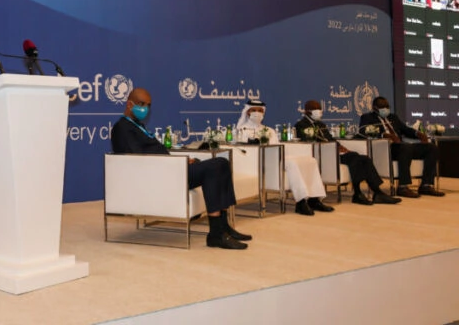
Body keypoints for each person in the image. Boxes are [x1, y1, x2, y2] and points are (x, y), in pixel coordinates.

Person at [111, 88, 253, 250]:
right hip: (161, 176)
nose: (145, 109)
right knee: (215, 166)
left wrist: (182, 161)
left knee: (222, 163)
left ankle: (224, 226)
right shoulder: (122, 128)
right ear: (129, 104)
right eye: (141, 104)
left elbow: (155, 153)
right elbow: (140, 161)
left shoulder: (138, 126)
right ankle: (215, 234)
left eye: (148, 105)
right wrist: (178, 163)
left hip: (171, 170)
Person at [236, 100, 334, 216]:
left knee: (310, 160)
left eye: (260, 110)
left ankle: (314, 200)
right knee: (292, 163)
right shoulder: (241, 130)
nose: (257, 113)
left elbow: (277, 147)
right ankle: (301, 202)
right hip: (258, 161)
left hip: (276, 158)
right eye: (254, 110)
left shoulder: (269, 130)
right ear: (247, 112)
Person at [295, 100, 401, 205]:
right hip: (324, 154)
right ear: (308, 111)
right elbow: (308, 141)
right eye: (316, 109)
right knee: (355, 158)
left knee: (364, 159)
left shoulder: (321, 124)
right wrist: (333, 147)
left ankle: (377, 192)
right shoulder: (301, 125)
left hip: (335, 152)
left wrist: (340, 146)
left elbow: (330, 138)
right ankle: (358, 193)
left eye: (320, 109)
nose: (319, 112)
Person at [359, 97, 444, 198]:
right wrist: (384, 135)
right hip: (387, 148)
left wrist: (417, 133)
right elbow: (363, 130)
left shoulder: (393, 117)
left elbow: (405, 129)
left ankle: (426, 185)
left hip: (402, 146)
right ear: (375, 108)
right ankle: (402, 187)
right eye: (382, 107)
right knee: (405, 147)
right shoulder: (367, 117)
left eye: (387, 107)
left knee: (431, 148)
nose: (385, 109)